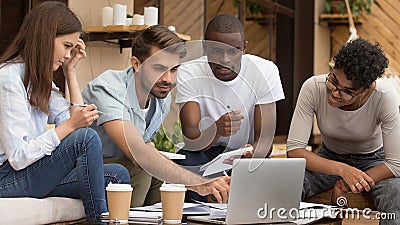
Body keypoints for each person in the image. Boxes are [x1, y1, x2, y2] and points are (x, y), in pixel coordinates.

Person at [0, 2, 130, 224]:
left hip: (30, 173)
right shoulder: (9, 79)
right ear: (44, 38)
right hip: (7, 178)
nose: (68, 54)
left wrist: (70, 71)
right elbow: (19, 158)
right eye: (66, 46)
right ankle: (98, 221)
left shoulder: (39, 81)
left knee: (118, 175)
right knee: (86, 138)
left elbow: (76, 123)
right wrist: (70, 126)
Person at [81, 25, 230, 207]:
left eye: (174, 69)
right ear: (136, 64)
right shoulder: (108, 89)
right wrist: (199, 183)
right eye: (159, 68)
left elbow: (144, 148)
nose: (168, 79)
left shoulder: (160, 96)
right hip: (82, 169)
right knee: (144, 169)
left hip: (121, 165)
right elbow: (138, 154)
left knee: (163, 176)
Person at [287, 38, 400, 224]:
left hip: (374, 162)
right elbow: (294, 150)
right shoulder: (313, 88)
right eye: (333, 81)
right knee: (286, 185)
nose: (335, 93)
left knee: (396, 195)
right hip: (327, 159)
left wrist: (347, 183)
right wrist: (342, 170)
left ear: (366, 90)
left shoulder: (384, 97)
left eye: (347, 92)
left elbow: (395, 164)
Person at [175, 14, 284, 166]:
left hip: (245, 153)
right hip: (203, 152)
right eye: (216, 51)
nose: (225, 59)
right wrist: (217, 129)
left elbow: (265, 139)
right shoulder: (189, 72)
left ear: (244, 48)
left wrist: (252, 153)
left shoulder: (265, 71)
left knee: (266, 174)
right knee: (184, 162)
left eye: (233, 51)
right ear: (205, 47)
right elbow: (192, 140)